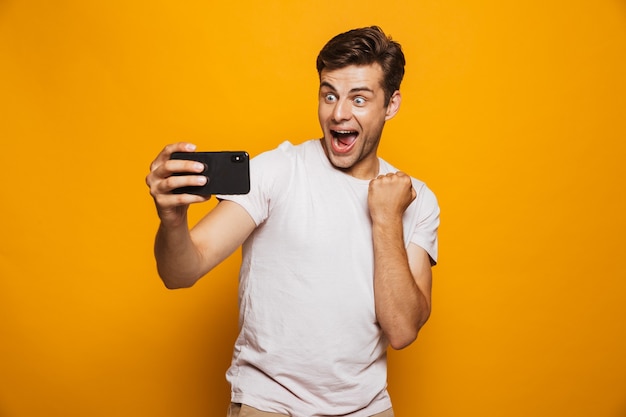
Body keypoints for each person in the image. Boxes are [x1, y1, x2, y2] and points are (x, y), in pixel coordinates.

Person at [146, 26, 440, 417]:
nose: (339, 113)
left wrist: (386, 218)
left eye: (359, 99)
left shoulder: (415, 199)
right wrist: (172, 219)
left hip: (366, 409)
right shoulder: (276, 171)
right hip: (269, 405)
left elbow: (403, 330)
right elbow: (180, 271)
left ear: (391, 104)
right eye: (329, 94)